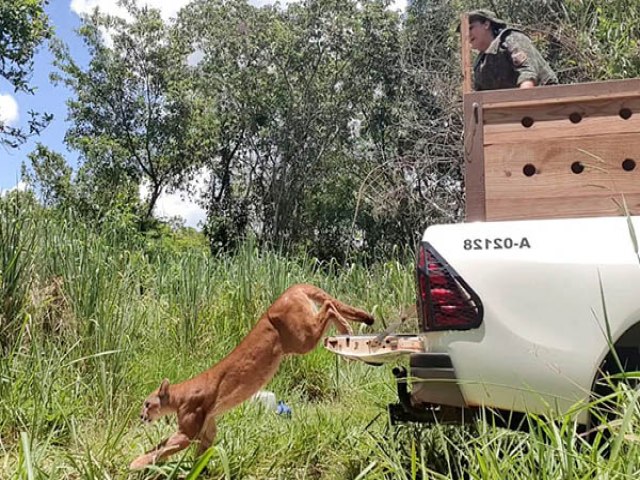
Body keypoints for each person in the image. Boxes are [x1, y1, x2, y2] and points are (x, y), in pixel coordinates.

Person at [464, 9, 558, 91]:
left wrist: (522, 105)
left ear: (486, 24)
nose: (467, 34)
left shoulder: (511, 39)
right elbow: (480, 94)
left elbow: (528, 76)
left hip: (546, 98)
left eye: (470, 28)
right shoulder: (480, 62)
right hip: (511, 106)